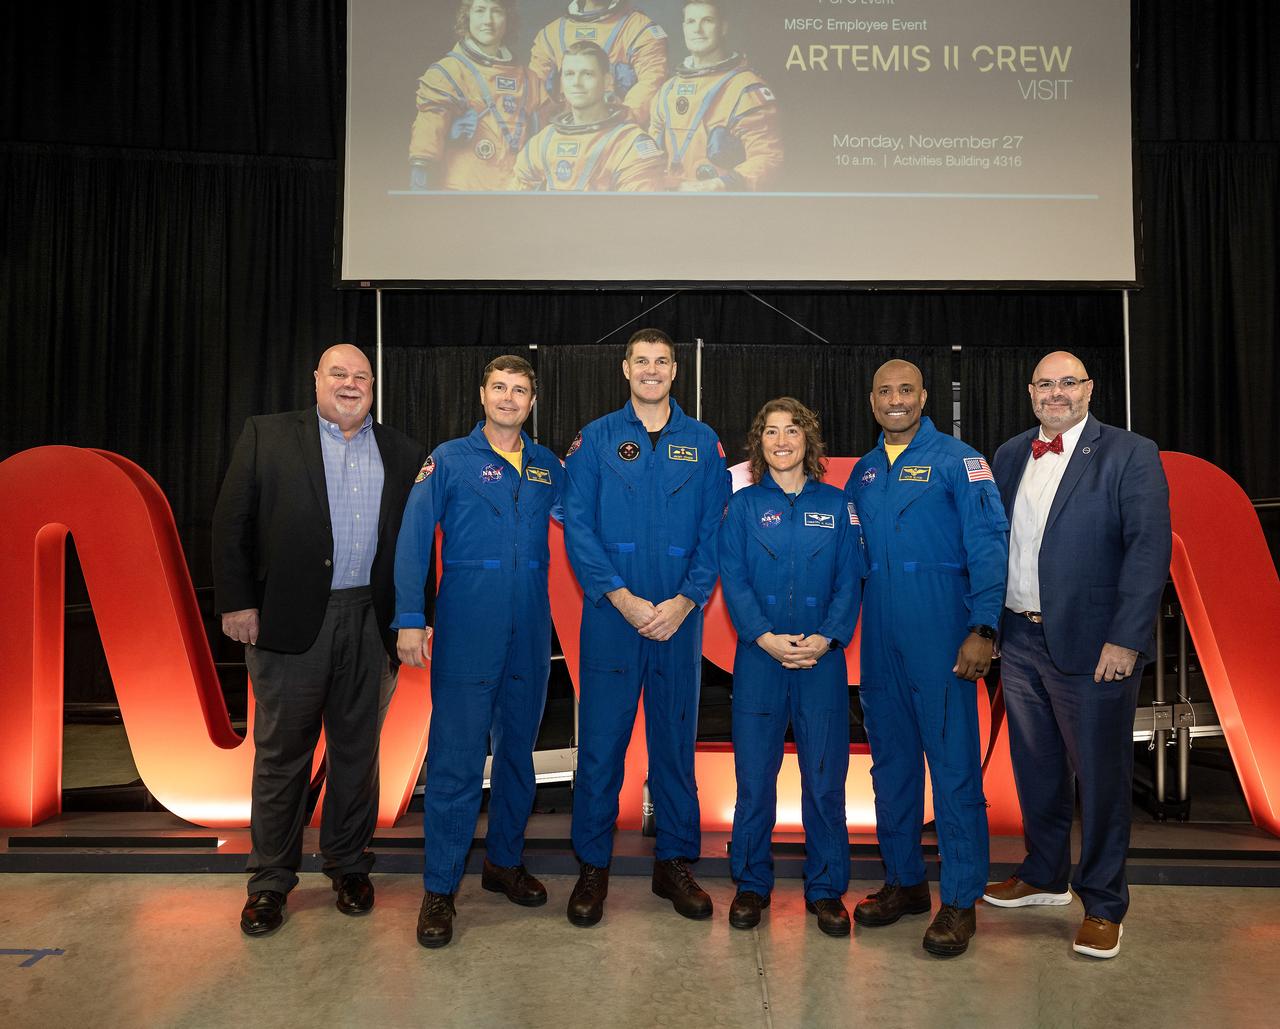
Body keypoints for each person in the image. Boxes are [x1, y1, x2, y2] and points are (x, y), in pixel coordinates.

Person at [212, 344, 425, 937]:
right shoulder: (268, 435)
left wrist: (413, 616)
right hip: (289, 621)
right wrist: (237, 602)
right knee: (283, 756)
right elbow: (231, 521)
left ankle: (349, 865)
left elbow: (413, 545)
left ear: (373, 387)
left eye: (362, 376)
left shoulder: (404, 451)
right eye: (339, 373)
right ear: (316, 380)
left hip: (371, 622)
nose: (350, 384)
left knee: (357, 754)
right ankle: (270, 880)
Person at [983, 351, 1171, 960]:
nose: (1056, 393)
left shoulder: (1130, 453)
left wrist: (1127, 638)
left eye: (1068, 382)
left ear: (1089, 389)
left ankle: (1105, 904)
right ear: (1030, 391)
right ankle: (1044, 874)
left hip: (1095, 647)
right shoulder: (1010, 454)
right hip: (1019, 639)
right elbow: (994, 544)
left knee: (1102, 778)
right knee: (1036, 769)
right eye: (1045, 384)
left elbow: (1148, 549)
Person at [392, 355, 565, 949]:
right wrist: (410, 618)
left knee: (517, 754)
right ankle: (440, 888)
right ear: (482, 395)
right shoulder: (448, 460)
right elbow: (413, 537)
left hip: (530, 631)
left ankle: (504, 863)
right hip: (468, 627)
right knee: (457, 759)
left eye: (520, 390)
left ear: (532, 402)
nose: (509, 398)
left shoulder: (548, 467)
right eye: (500, 388)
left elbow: (586, 521)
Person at [562, 327, 730, 926]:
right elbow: (578, 525)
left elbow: (716, 530)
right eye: (642, 361)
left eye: (661, 361)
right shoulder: (596, 439)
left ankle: (674, 863)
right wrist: (621, 597)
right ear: (625, 368)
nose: (651, 370)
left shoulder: (703, 442)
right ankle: (593, 866)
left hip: (679, 621)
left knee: (675, 744)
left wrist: (687, 601)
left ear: (675, 370)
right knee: (601, 745)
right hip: (612, 616)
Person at [843, 359, 1008, 958]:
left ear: (924, 396)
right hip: (879, 637)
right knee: (891, 767)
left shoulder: (960, 462)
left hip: (942, 632)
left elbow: (989, 544)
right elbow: (848, 556)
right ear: (872, 401)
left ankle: (960, 900)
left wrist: (983, 627)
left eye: (906, 390)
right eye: (885, 391)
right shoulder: (863, 473)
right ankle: (905, 882)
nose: (896, 399)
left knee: (953, 767)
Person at [718, 398, 862, 936]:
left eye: (792, 430)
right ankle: (751, 884)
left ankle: (826, 889)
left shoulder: (838, 504)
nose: (782, 441)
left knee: (824, 780)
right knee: (754, 780)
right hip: (760, 658)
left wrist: (827, 638)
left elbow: (850, 578)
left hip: (822, 661)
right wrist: (763, 636)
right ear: (759, 443)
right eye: (772, 432)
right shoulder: (742, 507)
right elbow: (733, 578)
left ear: (808, 440)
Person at [408, 0, 541, 192]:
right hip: (463, 191)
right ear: (467, 16)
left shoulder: (529, 79)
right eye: (480, 10)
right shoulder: (448, 72)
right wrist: (421, 167)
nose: (488, 20)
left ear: (508, 18)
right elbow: (428, 127)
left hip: (516, 191)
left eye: (496, 11)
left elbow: (546, 136)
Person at [650, 1, 782, 192]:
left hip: (722, 201)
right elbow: (649, 160)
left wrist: (718, 184)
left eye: (707, 20)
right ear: (684, 28)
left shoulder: (746, 89)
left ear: (723, 27)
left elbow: (767, 157)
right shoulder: (667, 91)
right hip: (672, 198)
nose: (697, 29)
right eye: (691, 21)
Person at [512, 41, 665, 192]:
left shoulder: (629, 144)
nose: (576, 83)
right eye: (569, 74)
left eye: (587, 74)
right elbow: (514, 198)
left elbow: (638, 206)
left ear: (607, 81)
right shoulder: (544, 141)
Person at [530, 0, 668, 127]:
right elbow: (534, 90)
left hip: (616, 130)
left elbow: (652, 80)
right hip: (563, 129)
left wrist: (620, 124)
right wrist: (551, 129)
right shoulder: (551, 34)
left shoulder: (639, 30)